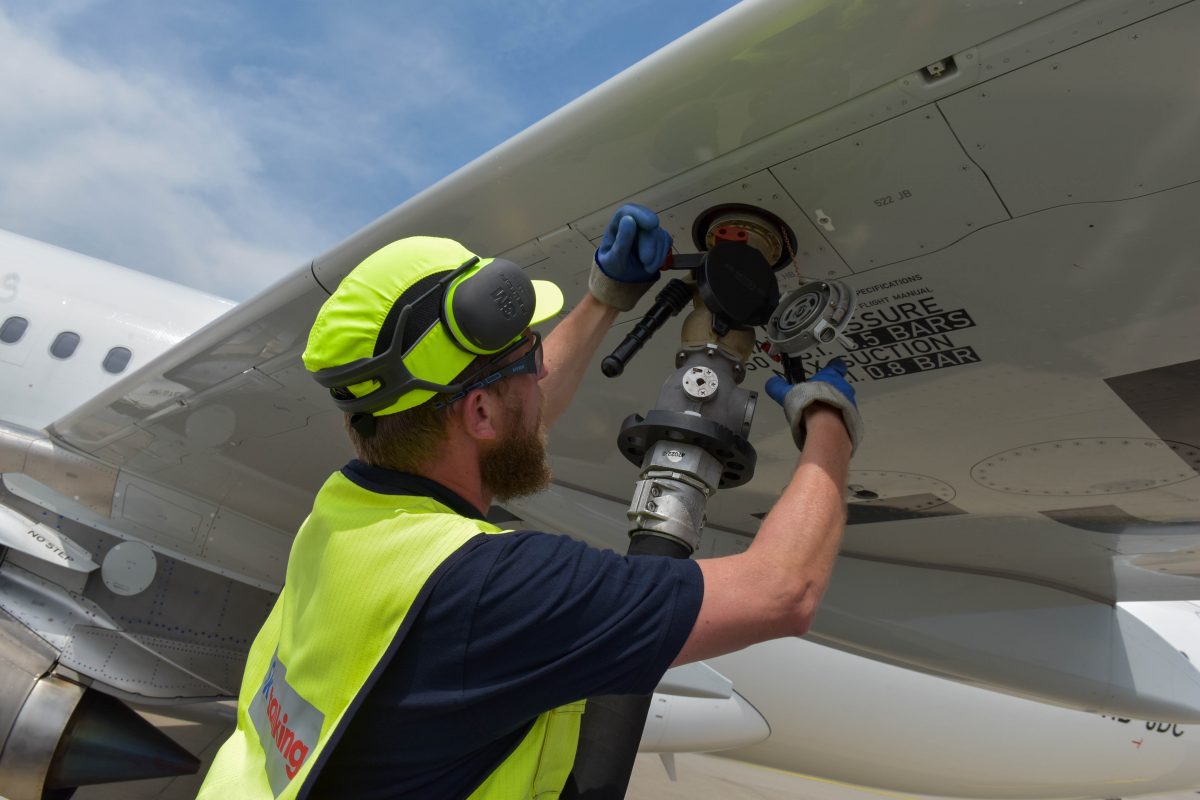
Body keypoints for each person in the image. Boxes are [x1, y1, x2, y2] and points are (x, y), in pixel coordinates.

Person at [197, 204, 861, 799]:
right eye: (527, 361)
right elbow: (782, 589)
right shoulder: (492, 589)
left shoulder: (351, 511)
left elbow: (517, 429)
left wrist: (605, 298)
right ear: (480, 413)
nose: (543, 368)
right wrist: (828, 423)